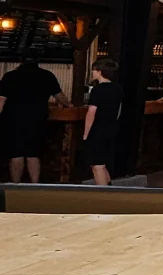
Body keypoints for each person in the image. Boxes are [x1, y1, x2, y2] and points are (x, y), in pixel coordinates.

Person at [0, 51, 71, 184]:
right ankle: (35, 184)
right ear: (37, 61)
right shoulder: (46, 76)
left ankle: (16, 185)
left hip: (13, 120)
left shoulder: (10, 76)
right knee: (33, 153)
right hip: (37, 119)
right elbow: (59, 96)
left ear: (21, 61)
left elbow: (1, 100)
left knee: (16, 153)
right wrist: (69, 105)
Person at [81, 58, 123, 186]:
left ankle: (104, 194)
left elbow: (91, 113)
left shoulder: (97, 90)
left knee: (97, 165)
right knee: (102, 163)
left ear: (100, 72)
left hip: (98, 129)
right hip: (111, 128)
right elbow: (119, 110)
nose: (92, 73)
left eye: (94, 70)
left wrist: (85, 134)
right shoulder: (118, 89)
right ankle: (110, 189)